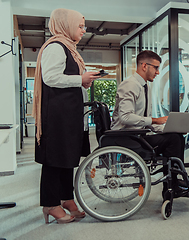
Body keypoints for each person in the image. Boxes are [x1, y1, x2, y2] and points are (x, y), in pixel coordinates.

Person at [32, 8, 100, 224]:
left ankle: (66, 198)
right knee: (54, 160)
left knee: (66, 158)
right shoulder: (55, 47)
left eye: (83, 26)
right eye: (80, 26)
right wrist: (80, 79)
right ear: (66, 25)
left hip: (68, 115)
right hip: (57, 117)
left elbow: (66, 78)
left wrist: (83, 81)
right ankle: (50, 204)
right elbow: (51, 78)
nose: (83, 30)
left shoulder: (69, 48)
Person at [111, 50, 189, 198]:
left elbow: (144, 120)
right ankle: (172, 185)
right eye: (156, 68)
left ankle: (173, 183)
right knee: (174, 140)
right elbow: (125, 117)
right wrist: (156, 120)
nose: (157, 72)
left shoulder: (144, 86)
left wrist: (166, 128)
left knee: (175, 136)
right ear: (144, 66)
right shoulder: (129, 85)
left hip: (137, 134)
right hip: (125, 138)